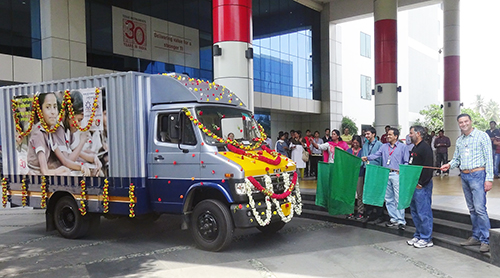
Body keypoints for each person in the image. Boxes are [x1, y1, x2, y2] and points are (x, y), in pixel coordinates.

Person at [441, 113, 493, 253]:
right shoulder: (459, 140)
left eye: (465, 121)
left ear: (471, 121)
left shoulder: (482, 136)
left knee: (480, 208)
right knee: (471, 209)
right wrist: (449, 165)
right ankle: (476, 236)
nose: (463, 124)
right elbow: (457, 159)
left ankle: (486, 240)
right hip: (464, 176)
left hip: (478, 175)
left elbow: (489, 158)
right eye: (461, 122)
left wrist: (489, 179)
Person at [362, 128, 409, 230]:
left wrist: (402, 170)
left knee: (398, 198)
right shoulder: (384, 147)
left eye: (390, 135)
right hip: (386, 174)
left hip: (396, 174)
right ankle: (393, 219)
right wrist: (367, 158)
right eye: (387, 135)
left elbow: (406, 161)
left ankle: (401, 220)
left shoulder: (402, 147)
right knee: (388, 199)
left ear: (396, 136)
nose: (388, 136)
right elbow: (376, 155)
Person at [27, 93, 71, 175]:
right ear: (40, 111)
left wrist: (82, 167)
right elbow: (45, 171)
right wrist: (61, 170)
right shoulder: (38, 133)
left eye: (55, 107)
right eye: (48, 107)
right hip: (35, 176)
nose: (53, 112)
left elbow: (64, 160)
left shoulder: (49, 131)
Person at [407, 125, 434, 248]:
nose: (409, 135)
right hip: (413, 184)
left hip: (421, 185)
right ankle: (418, 234)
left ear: (418, 134)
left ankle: (426, 237)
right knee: (415, 211)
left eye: (411, 133)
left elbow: (429, 168)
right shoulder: (415, 148)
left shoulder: (425, 148)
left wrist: (421, 183)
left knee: (424, 211)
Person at [360, 127, 383, 222]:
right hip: (367, 170)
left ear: (373, 134)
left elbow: (381, 159)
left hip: (376, 171)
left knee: (376, 192)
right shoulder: (365, 145)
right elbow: (362, 157)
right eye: (365, 134)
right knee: (368, 191)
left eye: (368, 134)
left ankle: (378, 214)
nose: (366, 136)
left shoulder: (379, 145)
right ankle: (369, 213)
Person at [347, 135, 363, 219]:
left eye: (357, 142)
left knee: (360, 193)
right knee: (350, 193)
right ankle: (350, 210)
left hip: (359, 174)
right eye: (353, 142)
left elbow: (363, 162)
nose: (355, 144)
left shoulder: (362, 151)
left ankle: (360, 211)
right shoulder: (349, 151)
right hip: (350, 174)